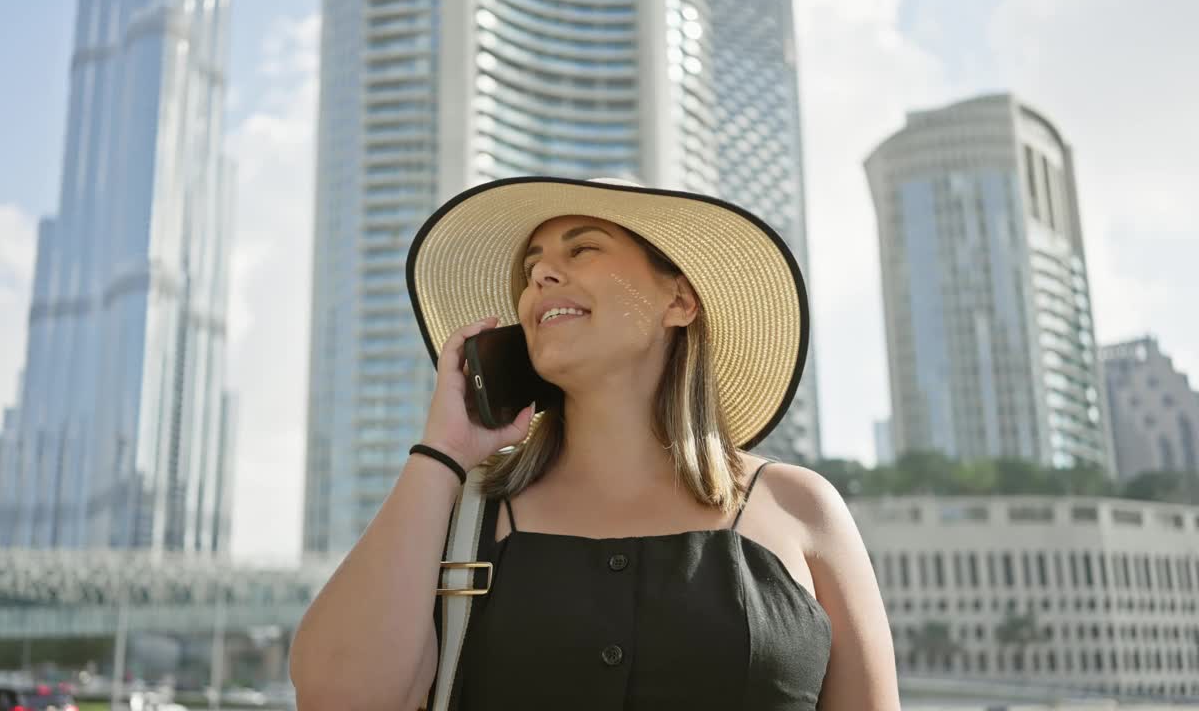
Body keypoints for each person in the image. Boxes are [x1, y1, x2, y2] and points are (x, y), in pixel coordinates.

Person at [289, 177, 899, 710]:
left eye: (581, 248)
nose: (541, 276)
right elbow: (337, 698)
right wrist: (442, 452)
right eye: (532, 270)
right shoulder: (455, 509)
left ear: (679, 300)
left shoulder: (801, 509)